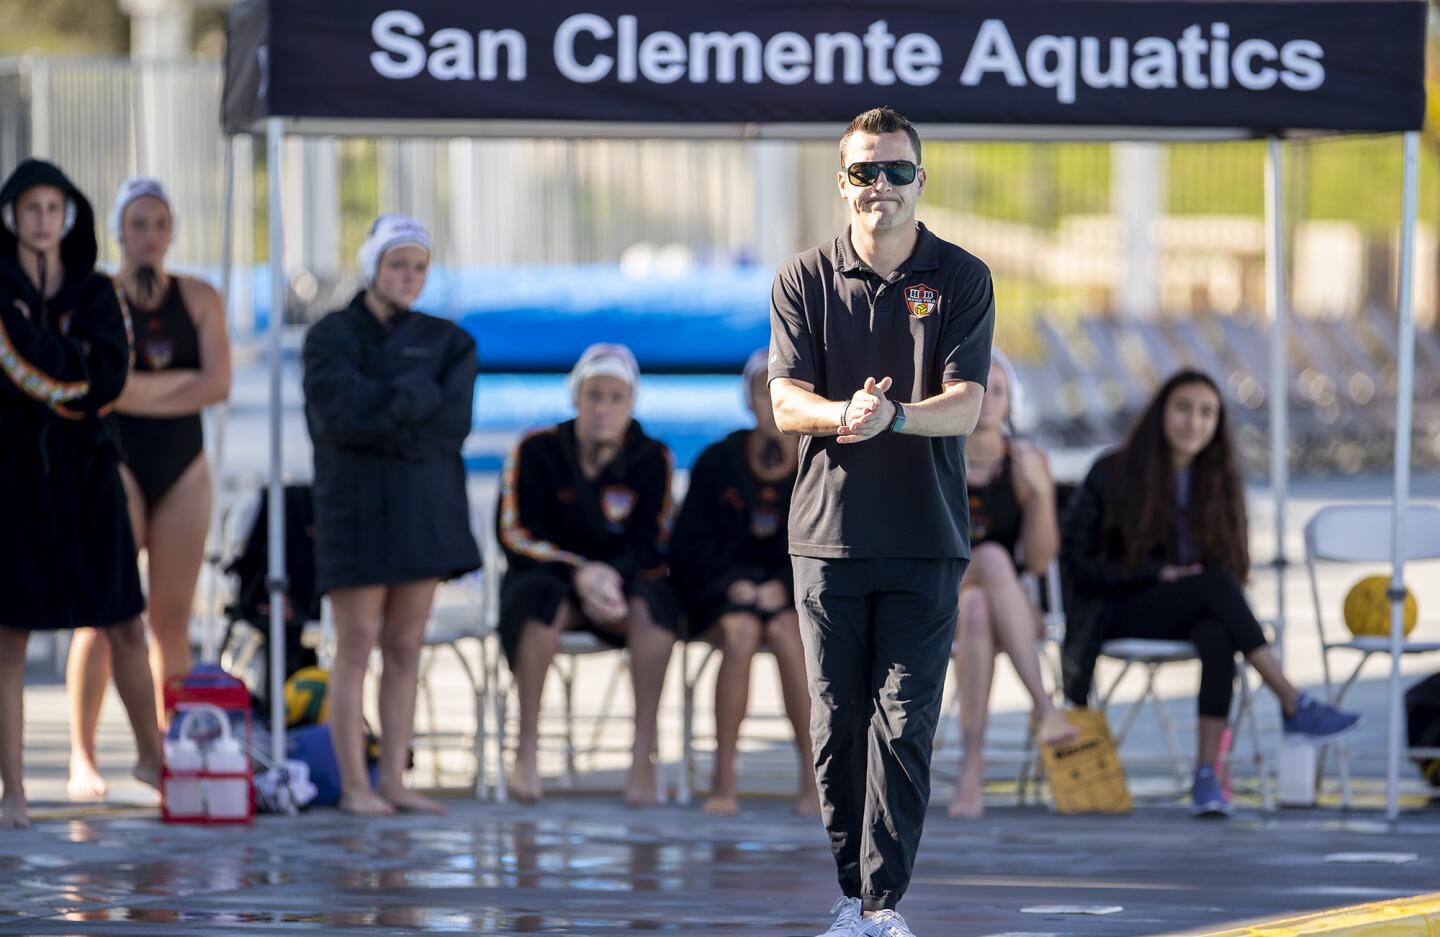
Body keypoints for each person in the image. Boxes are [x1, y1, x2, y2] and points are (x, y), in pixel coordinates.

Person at [769, 107, 995, 937]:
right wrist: (844, 415)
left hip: (925, 538)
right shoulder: (802, 277)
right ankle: (851, 891)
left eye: (897, 170)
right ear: (843, 182)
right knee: (837, 724)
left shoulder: (963, 276)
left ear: (920, 180)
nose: (881, 186)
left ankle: (880, 905)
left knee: (905, 724)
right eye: (866, 171)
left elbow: (966, 406)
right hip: (825, 540)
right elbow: (784, 398)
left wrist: (891, 418)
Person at [1062, 369, 1362, 818]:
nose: (1193, 421)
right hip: (1115, 609)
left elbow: (1231, 566)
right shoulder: (1113, 471)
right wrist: (1157, 573)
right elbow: (1079, 567)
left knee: (1217, 631)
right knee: (1217, 589)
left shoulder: (1218, 482)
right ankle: (1292, 700)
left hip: (1193, 607)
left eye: (1207, 412)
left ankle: (1207, 776)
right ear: (1161, 412)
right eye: (1183, 408)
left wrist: (1187, 583)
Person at [0, 158, 163, 828]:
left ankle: (155, 762)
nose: (43, 221)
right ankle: (14, 788)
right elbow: (75, 376)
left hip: (89, 476)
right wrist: (68, 369)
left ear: (69, 216)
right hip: (12, 476)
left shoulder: (98, 291)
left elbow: (106, 380)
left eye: (54, 208)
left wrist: (42, 360)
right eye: (31, 207)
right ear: (11, 214)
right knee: (9, 636)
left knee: (126, 618)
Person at [302, 213, 480, 816]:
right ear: (372, 267)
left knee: (405, 646)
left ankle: (394, 781)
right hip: (354, 507)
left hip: (421, 507)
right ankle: (355, 784)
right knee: (354, 644)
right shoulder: (330, 336)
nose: (408, 276)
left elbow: (450, 427)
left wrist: (378, 406)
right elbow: (336, 417)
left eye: (418, 267)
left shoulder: (450, 341)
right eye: (397, 264)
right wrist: (414, 396)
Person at [66, 177, 231, 800]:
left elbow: (218, 383)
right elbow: (103, 388)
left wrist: (139, 390)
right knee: (104, 614)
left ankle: (171, 752)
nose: (150, 236)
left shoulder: (199, 297)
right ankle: (84, 755)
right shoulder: (97, 296)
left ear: (172, 231)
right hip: (117, 463)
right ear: (119, 232)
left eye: (159, 223)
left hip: (182, 467)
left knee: (170, 621)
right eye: (138, 224)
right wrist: (177, 386)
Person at [497, 343, 677, 807]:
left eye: (615, 398)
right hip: (553, 575)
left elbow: (652, 539)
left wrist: (610, 577)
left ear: (630, 404)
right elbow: (515, 533)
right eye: (594, 396)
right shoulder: (535, 449)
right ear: (576, 397)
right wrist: (579, 572)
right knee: (536, 601)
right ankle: (528, 750)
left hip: (620, 584)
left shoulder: (651, 457)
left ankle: (643, 757)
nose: (603, 408)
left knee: (655, 606)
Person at [669, 349, 819, 817]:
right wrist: (733, 584)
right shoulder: (718, 460)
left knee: (787, 634)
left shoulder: (819, 463)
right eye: (765, 390)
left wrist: (782, 584)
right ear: (750, 398)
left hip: (790, 597)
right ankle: (724, 779)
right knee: (741, 632)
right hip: (725, 598)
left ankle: (814, 779)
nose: (775, 403)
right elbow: (690, 544)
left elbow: (827, 542)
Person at [947, 352, 1076, 820]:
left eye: (996, 390)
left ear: (1010, 401)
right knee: (992, 559)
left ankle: (971, 765)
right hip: (944, 591)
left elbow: (1041, 561)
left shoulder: (1025, 460)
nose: (986, 400)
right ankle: (1044, 706)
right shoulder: (935, 456)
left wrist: (1040, 493)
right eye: (977, 388)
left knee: (980, 604)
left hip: (998, 606)